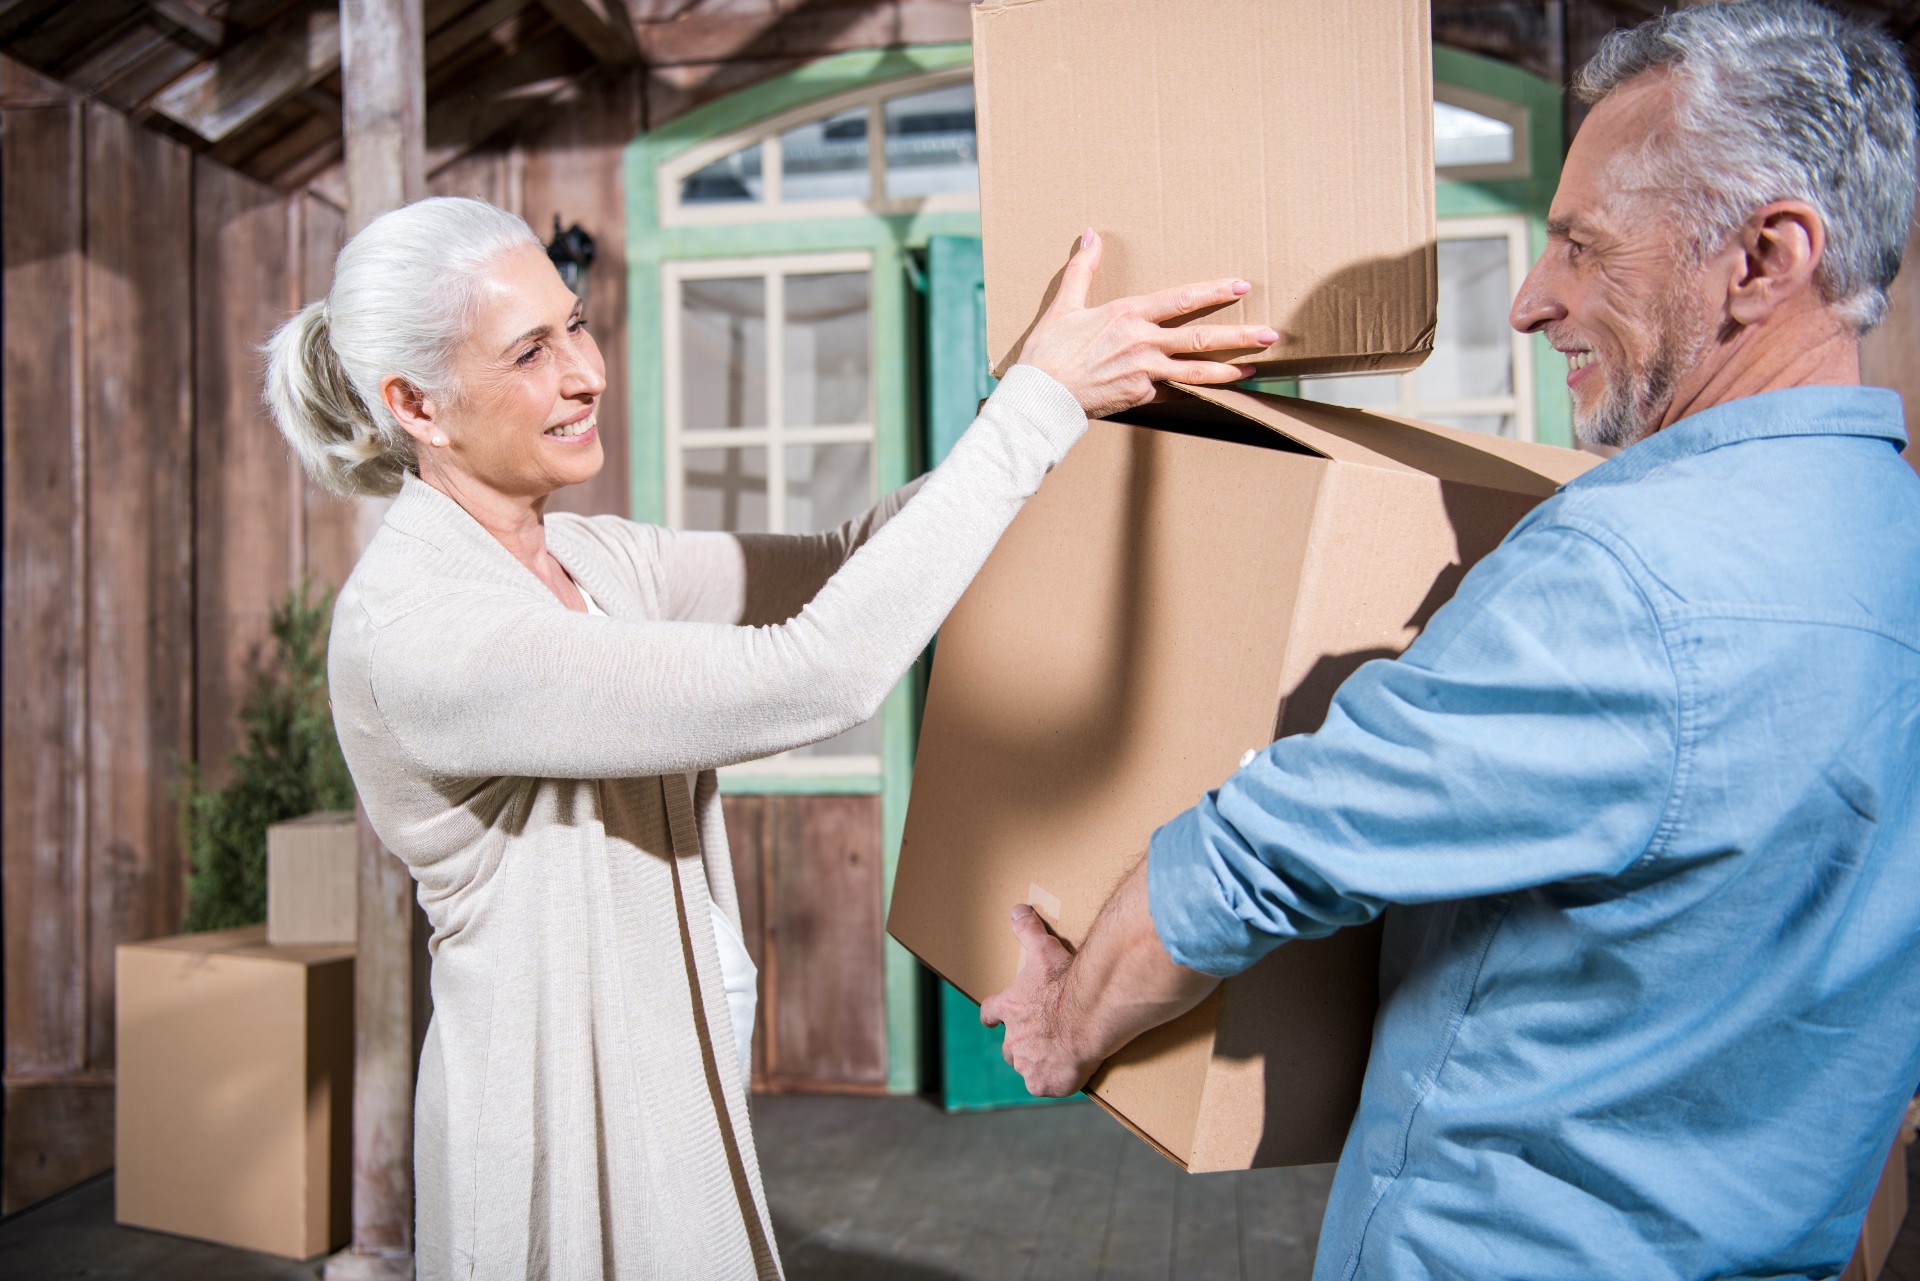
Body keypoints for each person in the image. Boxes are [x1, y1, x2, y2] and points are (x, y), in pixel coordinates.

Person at [981, 3, 1920, 1278]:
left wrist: (1064, 1030)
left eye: (1583, 249)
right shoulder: (1896, 545)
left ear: (1764, 258)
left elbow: (1251, 861)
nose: (1535, 302)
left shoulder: (1628, 578)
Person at [264, 195, 1273, 1281]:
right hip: (552, 1109)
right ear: (414, 403)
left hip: (666, 1074)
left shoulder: (593, 557)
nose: (585, 373)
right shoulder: (423, 629)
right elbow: (817, 673)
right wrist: (1033, 411)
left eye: (577, 324)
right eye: (529, 351)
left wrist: (1041, 408)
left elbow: (846, 557)